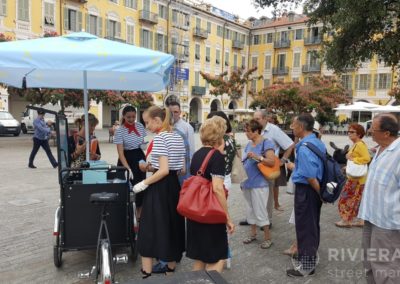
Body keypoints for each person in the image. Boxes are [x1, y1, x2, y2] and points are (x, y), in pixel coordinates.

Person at [132, 106, 186, 279]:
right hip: (174, 187)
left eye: (147, 122)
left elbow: (162, 170)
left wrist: (143, 183)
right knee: (171, 227)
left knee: (148, 230)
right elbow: (181, 169)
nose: (146, 126)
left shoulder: (161, 138)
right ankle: (170, 270)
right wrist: (151, 166)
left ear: (157, 120)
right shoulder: (177, 136)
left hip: (159, 187)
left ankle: (146, 273)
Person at [186, 116, 235, 273]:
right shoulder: (217, 157)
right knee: (218, 257)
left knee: (200, 259)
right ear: (219, 136)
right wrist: (227, 217)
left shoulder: (197, 154)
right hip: (210, 214)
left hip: (195, 213)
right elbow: (217, 189)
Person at [358, 114, 400, 284]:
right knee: (369, 261)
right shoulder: (380, 148)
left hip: (387, 223)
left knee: (387, 267)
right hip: (371, 216)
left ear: (387, 133)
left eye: (373, 130)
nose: (369, 132)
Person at [285, 114, 325, 277]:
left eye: (293, 125)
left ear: (301, 127)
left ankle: (307, 265)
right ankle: (307, 257)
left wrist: (320, 193)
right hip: (312, 190)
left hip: (307, 191)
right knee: (312, 225)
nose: (292, 128)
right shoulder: (317, 142)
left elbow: (309, 175)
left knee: (306, 227)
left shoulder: (303, 146)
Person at [240, 110, 294, 226]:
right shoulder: (254, 130)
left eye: (258, 119)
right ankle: (253, 219)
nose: (255, 121)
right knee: (254, 198)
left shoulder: (273, 130)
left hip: (267, 170)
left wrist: (282, 160)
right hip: (254, 172)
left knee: (268, 197)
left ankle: (267, 221)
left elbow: (290, 145)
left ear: (265, 119)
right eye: (254, 119)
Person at [241, 119, 276, 249]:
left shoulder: (266, 143)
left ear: (256, 131)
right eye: (245, 131)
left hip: (260, 183)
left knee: (260, 210)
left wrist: (258, 157)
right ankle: (253, 234)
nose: (246, 134)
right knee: (250, 209)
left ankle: (268, 238)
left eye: (248, 131)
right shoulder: (249, 144)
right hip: (248, 182)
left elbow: (271, 161)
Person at [335, 123, 370, 228]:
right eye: (348, 131)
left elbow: (367, 158)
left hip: (357, 179)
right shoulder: (355, 144)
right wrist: (348, 166)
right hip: (357, 178)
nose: (349, 133)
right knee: (357, 199)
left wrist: (353, 159)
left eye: (352, 132)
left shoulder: (359, 145)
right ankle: (361, 221)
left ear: (359, 134)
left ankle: (346, 220)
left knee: (345, 199)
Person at [114, 105, 146, 216]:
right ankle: (125, 214)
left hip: (139, 157)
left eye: (133, 116)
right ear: (123, 116)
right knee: (125, 187)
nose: (132, 119)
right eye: (129, 117)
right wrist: (127, 168)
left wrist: (143, 146)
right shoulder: (119, 131)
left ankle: (139, 215)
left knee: (140, 186)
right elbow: (121, 153)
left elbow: (141, 142)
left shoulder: (140, 126)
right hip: (126, 158)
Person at [206, 111, 237, 191]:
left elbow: (213, 156)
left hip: (219, 180)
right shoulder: (230, 138)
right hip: (225, 177)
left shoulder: (220, 140)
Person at [168, 101, 195, 184]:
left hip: (183, 165)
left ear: (180, 112)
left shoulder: (187, 127)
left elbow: (191, 148)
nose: (173, 114)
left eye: (175, 112)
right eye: (170, 112)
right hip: (170, 164)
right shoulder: (166, 126)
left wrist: (188, 167)